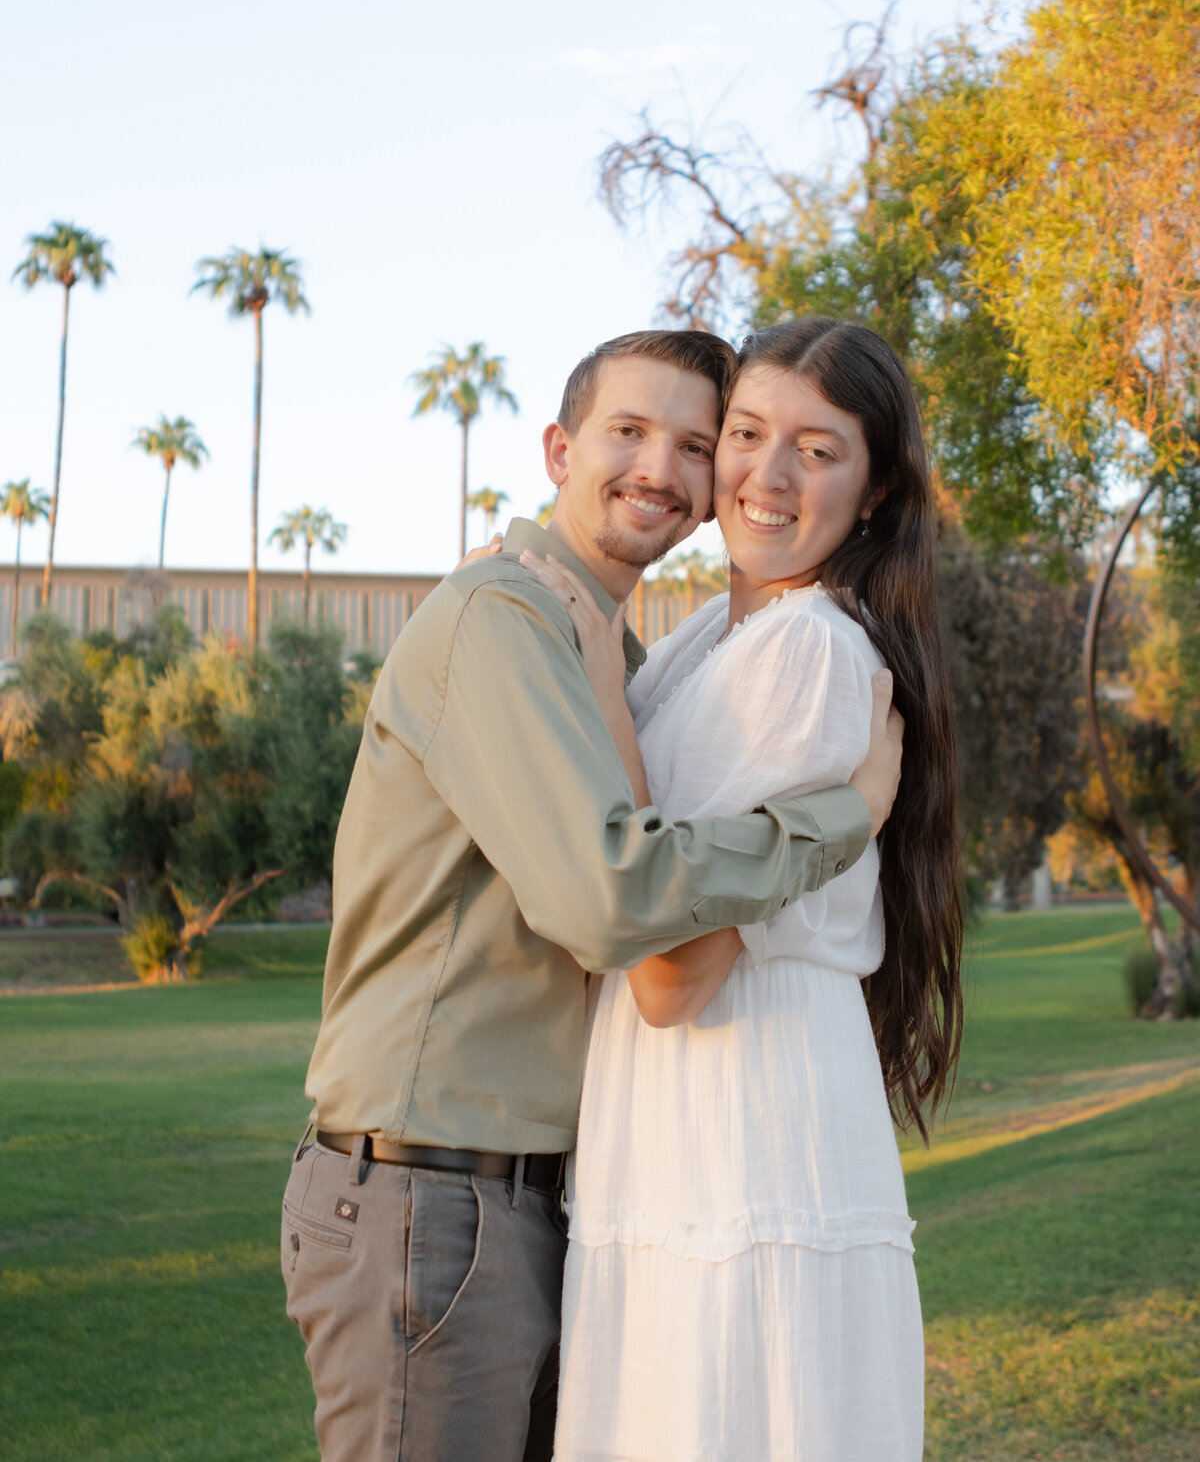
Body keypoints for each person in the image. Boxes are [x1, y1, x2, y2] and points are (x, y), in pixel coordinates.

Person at [281, 328, 903, 1462]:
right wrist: (844, 818)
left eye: (693, 443)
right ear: (560, 449)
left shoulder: (623, 648)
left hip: (509, 1199)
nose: (662, 468)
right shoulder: (507, 623)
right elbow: (617, 905)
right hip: (433, 1193)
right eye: (628, 431)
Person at [521, 317, 962, 1462]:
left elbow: (670, 974)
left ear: (872, 494)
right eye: (750, 434)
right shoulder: (708, 638)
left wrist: (596, 684)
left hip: (739, 1125)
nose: (767, 475)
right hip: (679, 1133)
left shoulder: (805, 651)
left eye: (818, 451)